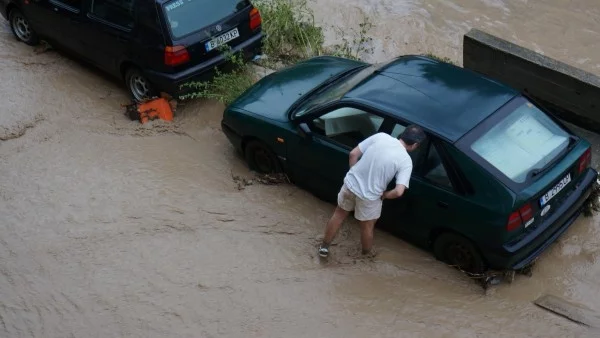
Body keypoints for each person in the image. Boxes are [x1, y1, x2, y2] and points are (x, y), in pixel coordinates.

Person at [318, 125, 426, 258]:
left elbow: (353, 154)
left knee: (339, 215)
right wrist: (385, 195)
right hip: (371, 197)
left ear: (402, 134)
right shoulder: (406, 161)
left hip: (350, 185)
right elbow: (398, 192)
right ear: (415, 144)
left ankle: (324, 248)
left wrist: (353, 173)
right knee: (367, 227)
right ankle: (366, 256)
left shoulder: (381, 136)